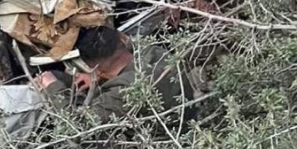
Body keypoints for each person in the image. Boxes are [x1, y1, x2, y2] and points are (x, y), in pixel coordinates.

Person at [36, 26, 194, 124]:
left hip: (165, 145)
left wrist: (52, 87)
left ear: (93, 67)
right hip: (184, 117)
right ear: (121, 39)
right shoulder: (152, 51)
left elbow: (78, 125)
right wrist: (98, 76)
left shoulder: (125, 90)